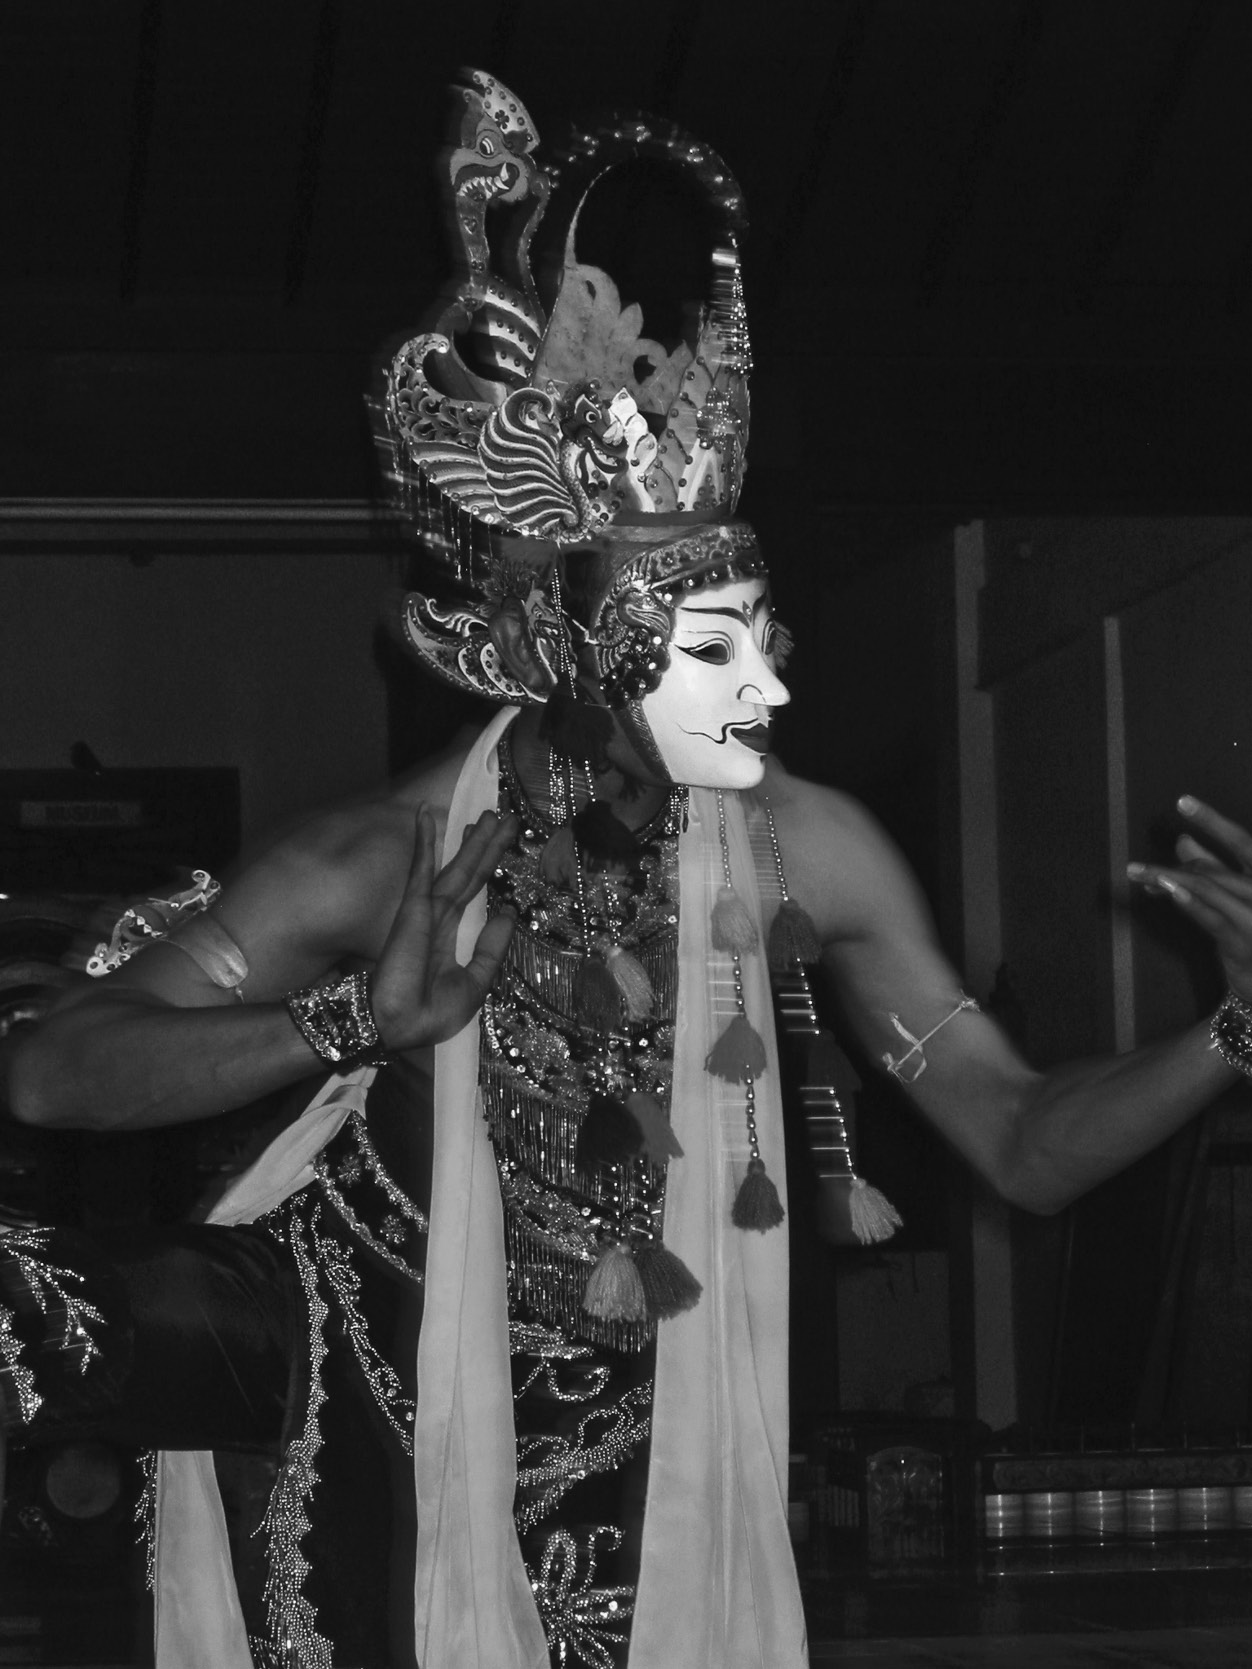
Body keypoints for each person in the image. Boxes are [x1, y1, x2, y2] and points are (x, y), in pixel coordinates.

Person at [5, 67, 1252, 1669]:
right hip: (355, 1380)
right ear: (579, 647)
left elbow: (1019, 1138)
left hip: (644, 1444)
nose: (774, 685)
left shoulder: (813, 844)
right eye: (718, 645)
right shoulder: (374, 857)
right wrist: (349, 1029)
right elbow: (53, 1076)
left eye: (769, 634)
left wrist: (1228, 1039)